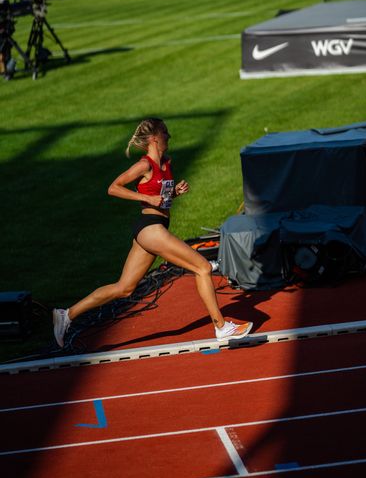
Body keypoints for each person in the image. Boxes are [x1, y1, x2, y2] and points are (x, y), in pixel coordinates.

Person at [53, 117, 253, 348]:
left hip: (153, 229)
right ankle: (221, 327)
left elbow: (162, 198)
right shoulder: (144, 165)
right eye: (166, 133)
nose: (169, 136)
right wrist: (145, 197)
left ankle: (66, 315)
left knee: (124, 288)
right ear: (155, 138)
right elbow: (113, 188)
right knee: (203, 267)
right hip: (150, 227)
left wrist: (175, 193)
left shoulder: (166, 163)